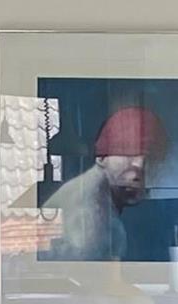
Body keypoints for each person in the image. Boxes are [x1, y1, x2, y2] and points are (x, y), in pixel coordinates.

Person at [41, 101, 164, 259]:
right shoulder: (89, 216)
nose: (138, 166)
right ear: (101, 158)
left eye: (150, 158)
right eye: (127, 153)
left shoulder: (102, 203)